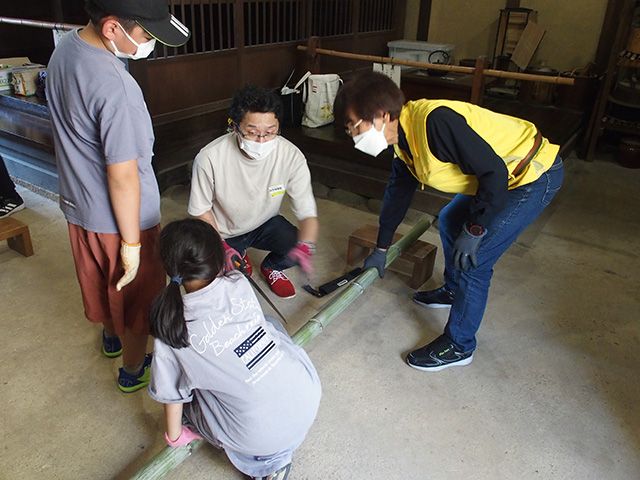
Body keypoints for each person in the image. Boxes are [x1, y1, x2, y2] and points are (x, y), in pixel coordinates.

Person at [333, 70, 564, 372]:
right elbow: (397, 195)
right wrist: (380, 248)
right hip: (494, 178)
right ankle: (454, 290)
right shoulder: (403, 141)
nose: (353, 135)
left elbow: (494, 174)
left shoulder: (434, 123)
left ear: (380, 115)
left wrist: (476, 229)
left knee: (477, 259)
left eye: (355, 126)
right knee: (449, 218)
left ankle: (459, 344)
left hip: (529, 174)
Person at [46, 0, 190, 391]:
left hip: (80, 207)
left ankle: (110, 339)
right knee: (138, 300)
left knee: (102, 283)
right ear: (112, 28)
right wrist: (132, 242)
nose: (149, 44)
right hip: (123, 220)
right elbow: (124, 176)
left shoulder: (67, 48)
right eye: (145, 35)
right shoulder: (116, 86)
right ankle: (131, 369)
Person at [148, 218, 321, 480]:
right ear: (219, 258)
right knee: (270, 326)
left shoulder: (171, 327)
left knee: (191, 391)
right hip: (308, 397)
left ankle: (265, 467)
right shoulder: (239, 283)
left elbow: (171, 396)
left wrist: (175, 436)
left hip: (255, 438)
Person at [188, 84, 318, 299]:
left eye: (269, 133)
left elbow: (307, 212)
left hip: (266, 223)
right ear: (235, 126)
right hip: (226, 231)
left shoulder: (291, 156)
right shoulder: (210, 157)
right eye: (252, 132)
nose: (261, 141)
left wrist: (306, 246)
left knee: (297, 245)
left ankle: (271, 268)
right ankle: (239, 252)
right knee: (221, 277)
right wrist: (221, 247)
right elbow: (200, 210)